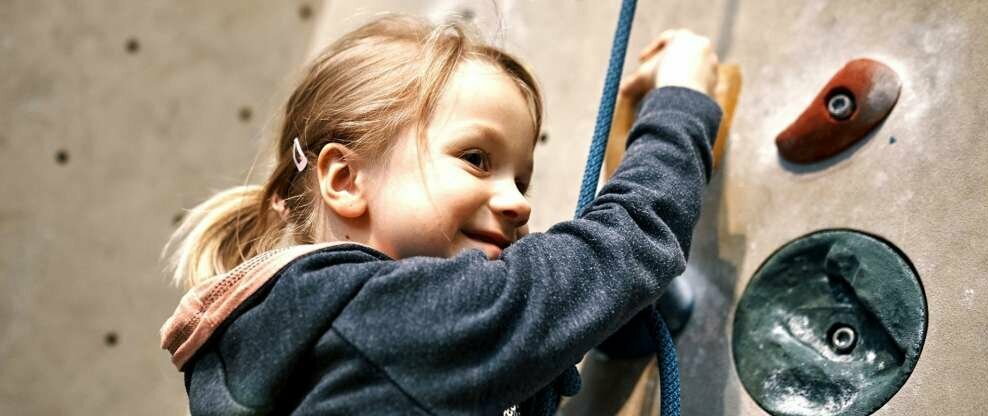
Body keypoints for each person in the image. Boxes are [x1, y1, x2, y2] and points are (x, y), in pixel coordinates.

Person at [160, 14, 719, 415]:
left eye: (521, 179)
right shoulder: (386, 319)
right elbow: (628, 241)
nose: (522, 203)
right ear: (345, 180)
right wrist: (681, 97)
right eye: (476, 159)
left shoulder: (283, 345)